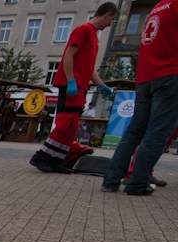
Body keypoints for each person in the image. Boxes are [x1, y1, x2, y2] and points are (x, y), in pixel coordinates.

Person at [101, 0, 178, 195]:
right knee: (158, 131)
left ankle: (111, 180)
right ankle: (138, 183)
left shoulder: (158, 7)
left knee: (134, 131)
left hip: (145, 76)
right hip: (170, 74)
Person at [30, 3, 118, 173]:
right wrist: (70, 80)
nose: (110, 25)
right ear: (107, 14)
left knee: (72, 125)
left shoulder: (93, 36)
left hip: (79, 85)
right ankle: (41, 156)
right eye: (112, 20)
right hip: (73, 84)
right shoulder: (84, 29)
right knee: (67, 122)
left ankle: (56, 159)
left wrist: (101, 85)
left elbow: (88, 67)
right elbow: (68, 55)